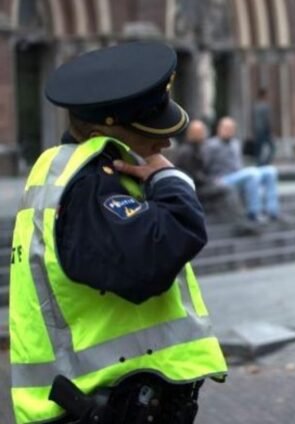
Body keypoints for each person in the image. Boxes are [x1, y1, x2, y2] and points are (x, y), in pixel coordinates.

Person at [8, 41, 228, 424]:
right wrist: (169, 178)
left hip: (104, 398)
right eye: (152, 133)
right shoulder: (90, 185)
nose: (166, 143)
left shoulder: (69, 172)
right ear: (104, 131)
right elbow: (159, 252)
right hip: (96, 404)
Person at [175, 119, 254, 228]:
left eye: (203, 131)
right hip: (193, 189)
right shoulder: (187, 151)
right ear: (192, 133)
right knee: (226, 188)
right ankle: (242, 224)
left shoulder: (198, 148)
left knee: (227, 187)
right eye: (201, 132)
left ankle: (244, 219)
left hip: (200, 185)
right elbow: (193, 176)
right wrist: (211, 181)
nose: (204, 134)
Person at [205, 116, 281, 222]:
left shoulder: (235, 143)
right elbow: (204, 166)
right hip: (221, 178)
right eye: (226, 128)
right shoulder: (211, 145)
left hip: (237, 175)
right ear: (219, 128)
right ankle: (254, 212)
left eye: (231, 128)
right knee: (252, 173)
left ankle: (272, 211)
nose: (229, 131)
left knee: (271, 171)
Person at [250, 88, 276, 165]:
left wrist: (252, 131)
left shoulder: (255, 106)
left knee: (258, 149)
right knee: (272, 147)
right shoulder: (265, 106)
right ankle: (265, 163)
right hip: (264, 131)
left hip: (257, 130)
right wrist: (271, 131)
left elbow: (252, 120)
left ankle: (258, 163)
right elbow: (267, 120)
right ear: (264, 95)